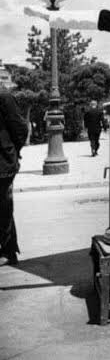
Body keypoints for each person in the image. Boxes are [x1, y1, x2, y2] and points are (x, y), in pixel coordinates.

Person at [0, 92, 28, 266]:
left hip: (2, 163)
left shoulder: (4, 98)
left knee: (3, 208)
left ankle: (8, 252)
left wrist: (12, 152)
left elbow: (20, 129)